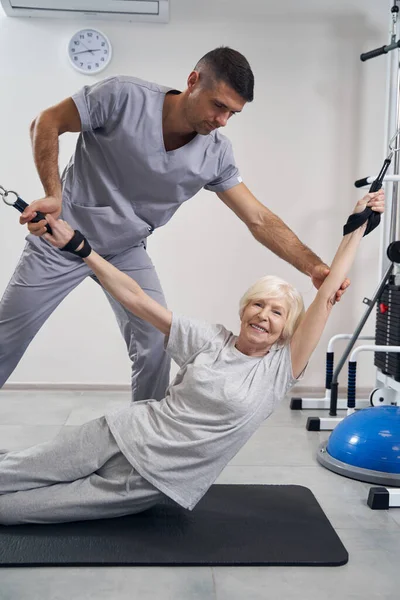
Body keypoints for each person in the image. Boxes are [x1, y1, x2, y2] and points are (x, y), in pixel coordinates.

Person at [0, 189, 384, 525]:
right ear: (243, 309)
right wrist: (79, 248)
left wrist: (356, 228)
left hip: (148, 482)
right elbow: (136, 297)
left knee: (12, 512)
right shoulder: (209, 339)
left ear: (287, 329)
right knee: (10, 472)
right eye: (258, 304)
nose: (263, 316)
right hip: (119, 433)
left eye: (277, 312)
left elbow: (328, 291)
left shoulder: (279, 369)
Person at [0, 46, 349, 402]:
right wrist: (53, 194)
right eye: (218, 105)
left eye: (232, 113)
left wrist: (314, 267)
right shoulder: (122, 96)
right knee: (6, 336)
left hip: (125, 250)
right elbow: (47, 121)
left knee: (155, 343)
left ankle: (144, 440)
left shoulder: (215, 153)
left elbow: (258, 218)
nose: (222, 120)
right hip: (61, 238)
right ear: (193, 81)